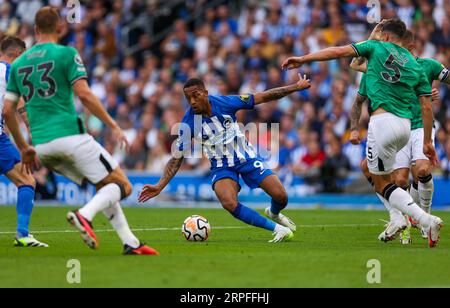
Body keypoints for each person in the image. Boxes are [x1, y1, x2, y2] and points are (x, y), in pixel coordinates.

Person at [2, 7, 158, 256]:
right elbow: (84, 94)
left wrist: (24, 147)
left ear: (35, 30)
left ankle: (131, 242)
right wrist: (113, 125)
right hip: (69, 137)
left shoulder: (19, 63)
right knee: (123, 185)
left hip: (41, 146)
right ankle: (84, 215)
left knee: (104, 185)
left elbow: (8, 110)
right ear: (61, 28)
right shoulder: (65, 53)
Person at [282, 18, 443, 248]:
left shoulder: (375, 47)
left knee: (381, 184)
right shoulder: (413, 64)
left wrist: (304, 59)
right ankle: (402, 220)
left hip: (382, 124)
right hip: (406, 128)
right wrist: (428, 141)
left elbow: (338, 52)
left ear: (384, 35)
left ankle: (424, 220)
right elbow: (426, 106)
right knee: (384, 177)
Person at [139, 75, 311, 243]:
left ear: (205, 93)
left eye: (195, 95)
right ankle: (278, 229)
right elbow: (176, 158)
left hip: (247, 158)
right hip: (222, 166)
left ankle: (273, 212)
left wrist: (295, 87)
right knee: (229, 203)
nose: (192, 101)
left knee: (281, 196)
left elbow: (264, 96)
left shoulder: (226, 103)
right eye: (188, 98)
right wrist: (160, 185)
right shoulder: (188, 123)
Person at [350, 29, 450, 243]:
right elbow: (355, 65)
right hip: (399, 125)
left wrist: (429, 94)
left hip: (419, 125)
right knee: (399, 179)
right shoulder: (380, 69)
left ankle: (424, 220)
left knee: (422, 170)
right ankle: (403, 220)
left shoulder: (428, 65)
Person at [0, 36, 48, 248]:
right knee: (27, 181)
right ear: (18, 55)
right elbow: (19, 107)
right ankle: (22, 234)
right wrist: (31, 134)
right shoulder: (11, 72)